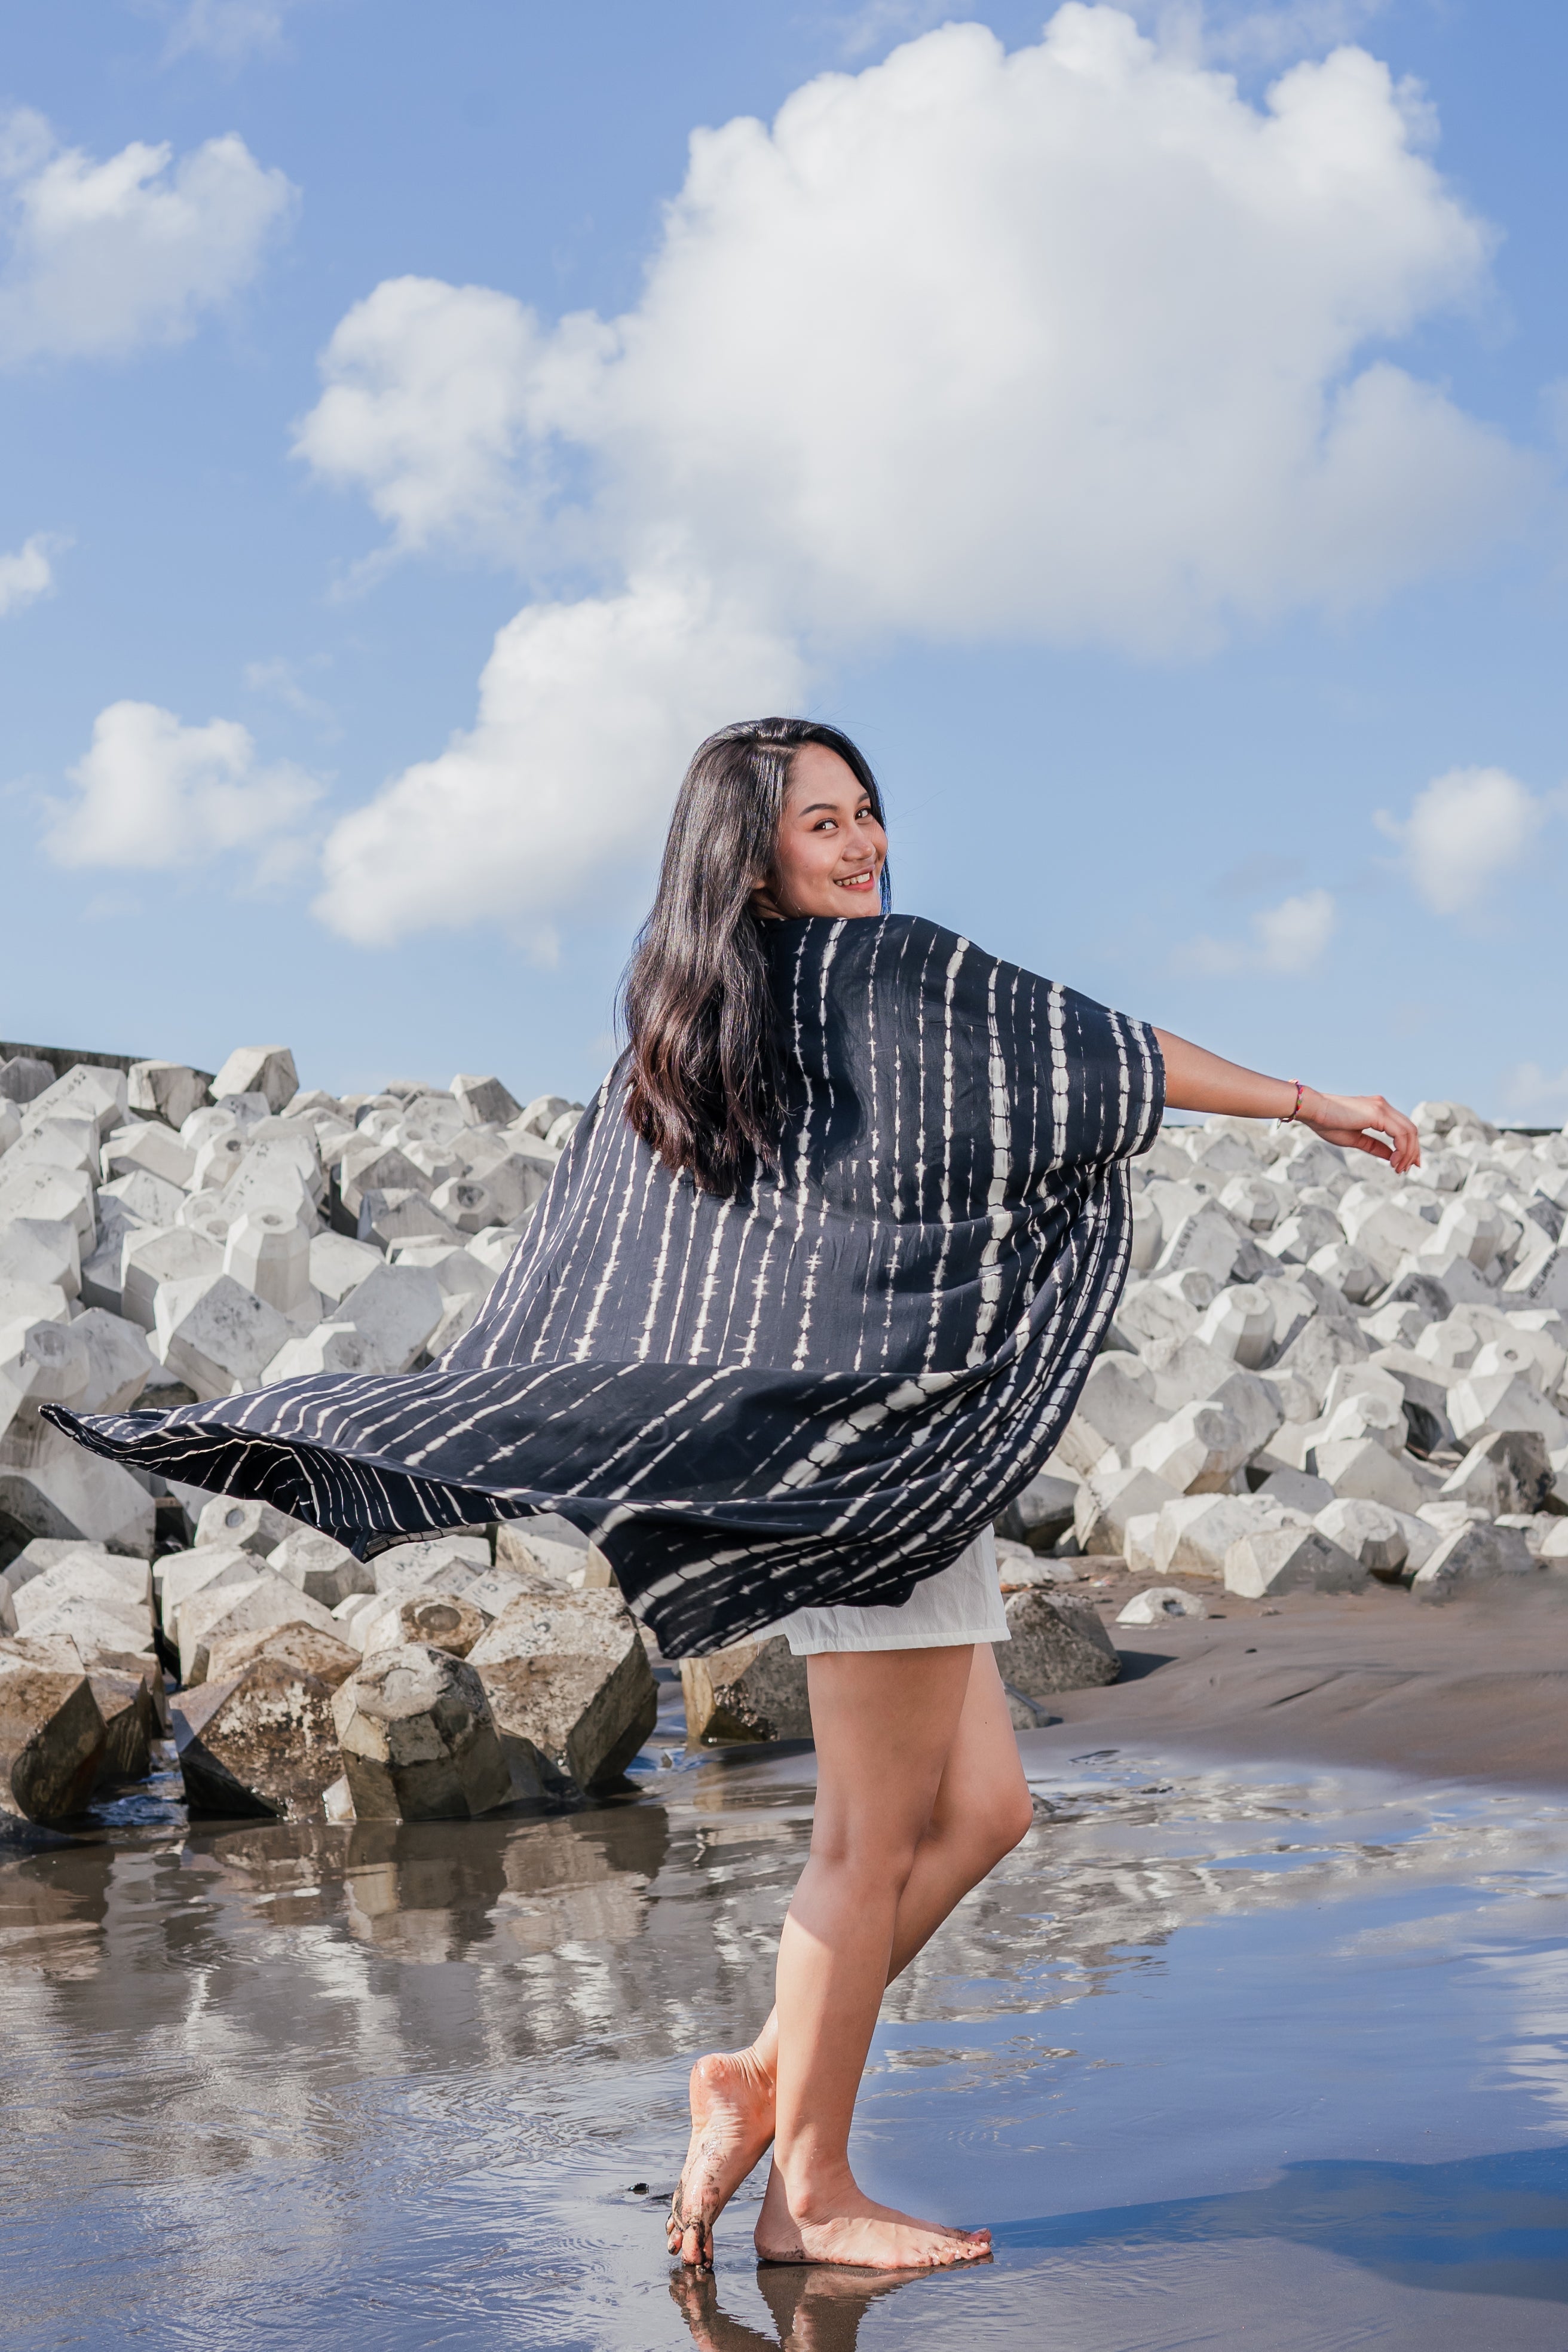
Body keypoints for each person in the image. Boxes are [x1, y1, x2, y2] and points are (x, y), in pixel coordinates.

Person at [48, 718, 1420, 2275]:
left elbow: (653, 1269)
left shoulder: (691, 1026)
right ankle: (808, 2192)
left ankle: (767, 2080)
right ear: (751, 850)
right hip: (867, 1471)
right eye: (822, 825)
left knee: (986, 1811)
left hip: (863, 1462)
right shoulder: (890, 977)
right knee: (865, 1836)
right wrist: (1310, 1101)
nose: (863, 847)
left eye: (868, 816)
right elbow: (1098, 1053)